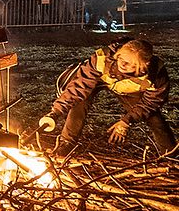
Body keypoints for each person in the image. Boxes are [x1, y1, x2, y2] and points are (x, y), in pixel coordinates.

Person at [39, 38, 174, 155]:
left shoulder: (155, 76)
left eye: (129, 63)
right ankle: (66, 144)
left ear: (143, 65)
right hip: (100, 80)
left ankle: (170, 155)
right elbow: (78, 87)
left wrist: (126, 121)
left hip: (131, 90)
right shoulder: (102, 59)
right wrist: (55, 112)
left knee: (155, 119)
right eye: (121, 58)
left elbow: (151, 103)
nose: (122, 64)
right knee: (79, 101)